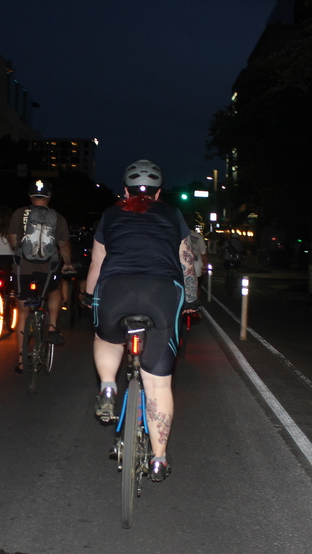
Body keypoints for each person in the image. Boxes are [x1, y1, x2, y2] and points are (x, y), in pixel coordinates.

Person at [84, 160, 199, 482]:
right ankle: (159, 459)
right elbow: (187, 262)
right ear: (159, 193)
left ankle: (108, 387)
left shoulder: (111, 214)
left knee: (106, 338)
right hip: (162, 293)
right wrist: (191, 301)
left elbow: (97, 262)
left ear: (125, 191)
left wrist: (89, 297)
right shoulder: (172, 214)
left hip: (116, 290)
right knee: (158, 384)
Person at [8, 180, 74, 373]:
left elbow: (13, 241)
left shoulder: (19, 213)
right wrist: (68, 264)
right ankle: (52, 326)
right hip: (48, 269)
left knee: (22, 312)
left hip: (22, 269)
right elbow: (63, 245)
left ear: (30, 196)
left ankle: (21, 361)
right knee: (55, 289)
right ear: (49, 196)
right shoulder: (58, 217)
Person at [189, 227, 210, 300]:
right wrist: (205, 266)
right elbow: (203, 254)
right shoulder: (198, 236)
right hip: (196, 265)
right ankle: (196, 303)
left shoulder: (177, 235)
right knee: (197, 286)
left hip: (181, 265)